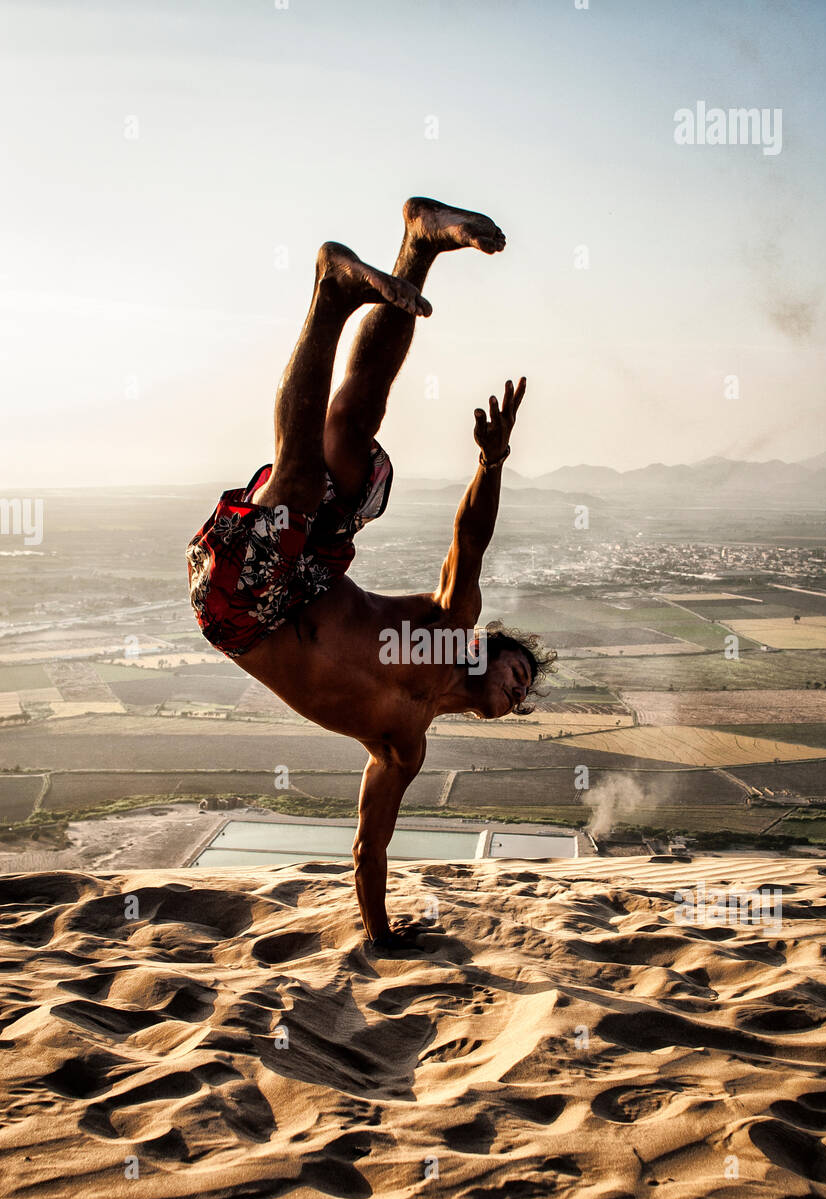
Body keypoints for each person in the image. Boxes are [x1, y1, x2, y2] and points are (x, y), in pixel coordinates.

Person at [187, 197, 554, 947]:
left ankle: (330, 295)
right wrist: (491, 462)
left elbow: (369, 848)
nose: (522, 690)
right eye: (520, 673)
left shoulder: (404, 746)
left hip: (243, 615)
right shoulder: (445, 631)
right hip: (313, 581)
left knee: (293, 489)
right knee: (346, 451)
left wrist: (381, 935)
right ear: (486, 651)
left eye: (525, 693)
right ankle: (414, 246)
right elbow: (470, 540)